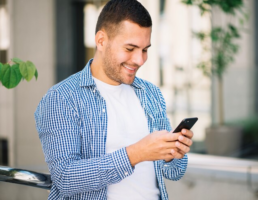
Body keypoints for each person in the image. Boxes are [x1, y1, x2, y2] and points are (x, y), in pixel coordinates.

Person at [35, 0, 194, 199]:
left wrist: (174, 154)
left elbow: (173, 173)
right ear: (101, 41)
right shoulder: (62, 98)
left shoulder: (151, 93)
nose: (140, 60)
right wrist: (137, 153)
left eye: (145, 49)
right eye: (130, 49)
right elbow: (65, 178)